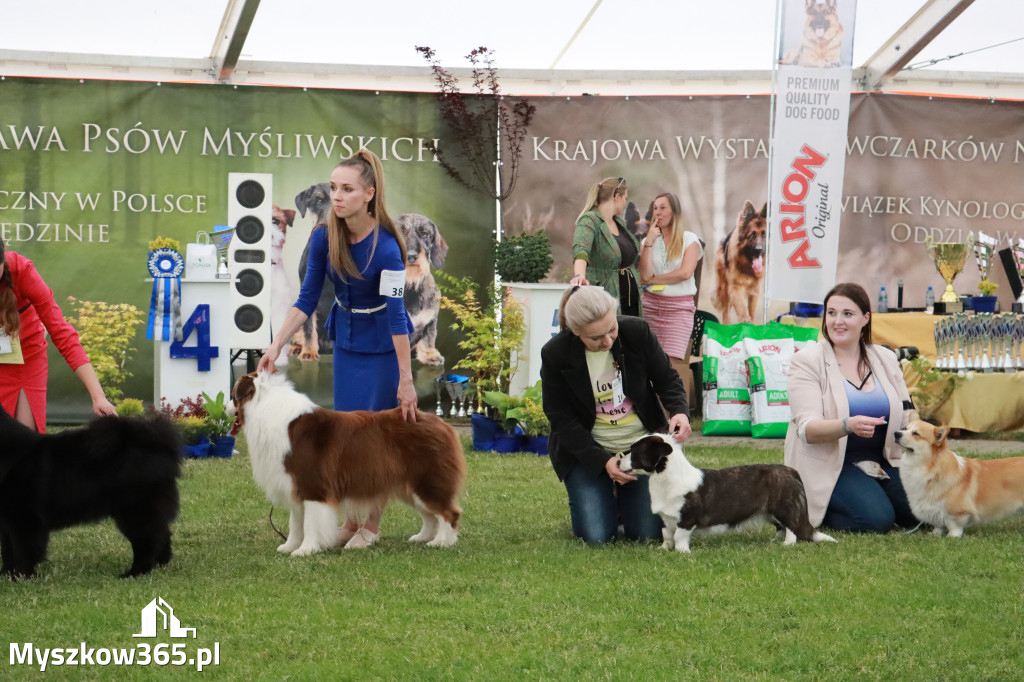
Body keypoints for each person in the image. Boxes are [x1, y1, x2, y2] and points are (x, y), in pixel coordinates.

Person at [257, 149, 416, 549]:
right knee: (345, 433)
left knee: (375, 437)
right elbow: (307, 298)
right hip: (345, 338)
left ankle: (372, 526)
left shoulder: (387, 249)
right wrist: (275, 344)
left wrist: (406, 378)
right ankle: (349, 521)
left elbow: (397, 316)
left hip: (382, 343)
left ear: (369, 194)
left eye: (346, 189)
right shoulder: (322, 236)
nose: (337, 196)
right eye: (333, 187)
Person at [540, 285, 691, 544]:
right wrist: (602, 461)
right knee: (596, 536)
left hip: (641, 448)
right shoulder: (555, 353)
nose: (608, 341)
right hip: (589, 450)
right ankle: (602, 494)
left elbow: (667, 379)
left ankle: (624, 503)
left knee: (646, 535)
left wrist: (679, 412)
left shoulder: (637, 331)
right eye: (596, 338)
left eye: (611, 330)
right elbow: (560, 417)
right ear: (576, 332)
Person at [784, 282, 918, 534]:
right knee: (877, 521)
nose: (837, 321)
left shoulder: (885, 358)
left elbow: (907, 410)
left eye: (848, 314)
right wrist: (847, 425)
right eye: (832, 313)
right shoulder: (806, 362)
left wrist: (920, 427)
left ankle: (873, 492)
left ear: (865, 318)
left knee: (924, 510)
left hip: (882, 461)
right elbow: (806, 429)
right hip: (832, 464)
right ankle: (814, 511)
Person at [0, 239, 116, 432]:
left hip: (25, 358)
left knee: (22, 443)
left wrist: (98, 396)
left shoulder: (23, 271)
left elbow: (61, 332)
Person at [637, 192, 703, 392]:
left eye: (663, 207)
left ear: (674, 211)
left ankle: (672, 414)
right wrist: (648, 242)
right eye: (655, 207)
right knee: (650, 361)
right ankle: (654, 415)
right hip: (651, 306)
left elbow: (685, 273)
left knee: (671, 363)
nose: (658, 212)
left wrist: (654, 280)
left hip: (678, 309)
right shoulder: (647, 242)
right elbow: (644, 274)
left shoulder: (689, 239)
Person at [570, 177, 643, 316]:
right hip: (606, 297)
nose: (625, 202)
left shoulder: (618, 222)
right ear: (617, 196)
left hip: (630, 298)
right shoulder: (589, 220)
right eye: (625, 198)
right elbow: (580, 249)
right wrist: (580, 275)